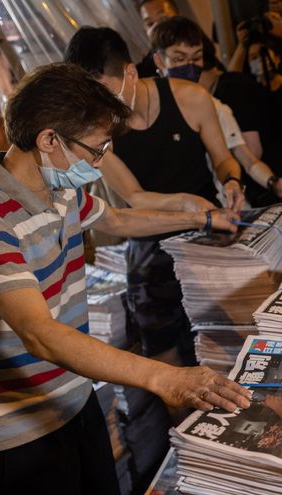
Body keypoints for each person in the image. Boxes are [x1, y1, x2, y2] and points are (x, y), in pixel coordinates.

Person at [0, 63, 251, 495]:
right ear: (49, 139)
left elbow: (117, 219)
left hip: (73, 396)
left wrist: (201, 216)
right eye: (96, 149)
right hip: (18, 426)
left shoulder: (60, 191)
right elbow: (39, 333)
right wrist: (167, 378)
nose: (99, 163)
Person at [64, 27, 246, 368]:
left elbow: (223, 158)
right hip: (151, 239)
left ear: (130, 72)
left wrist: (232, 180)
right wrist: (184, 203)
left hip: (209, 232)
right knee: (161, 345)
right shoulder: (97, 131)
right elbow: (134, 196)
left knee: (228, 336)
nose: (99, 106)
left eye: (104, 93)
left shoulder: (190, 98)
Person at [151, 16, 282, 203]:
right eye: (179, 59)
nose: (190, 66)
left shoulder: (214, 107)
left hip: (219, 207)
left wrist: (274, 182)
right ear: (159, 61)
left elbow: (248, 160)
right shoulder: (147, 109)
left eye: (196, 58)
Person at [136, 0, 179, 78]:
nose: (157, 28)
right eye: (150, 24)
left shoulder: (201, 47)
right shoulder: (141, 76)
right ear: (145, 31)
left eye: (163, 19)